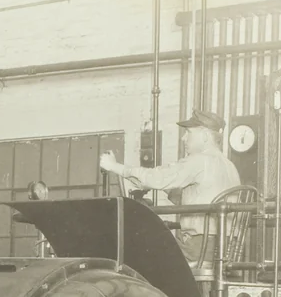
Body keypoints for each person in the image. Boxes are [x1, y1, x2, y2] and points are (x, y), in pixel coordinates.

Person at [99, 109, 241, 264]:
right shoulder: (229, 166)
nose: (183, 138)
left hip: (200, 246)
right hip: (227, 247)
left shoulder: (200, 160)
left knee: (142, 258)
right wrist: (165, 188)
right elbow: (198, 199)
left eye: (188, 133)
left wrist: (114, 166)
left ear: (205, 136)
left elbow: (156, 178)